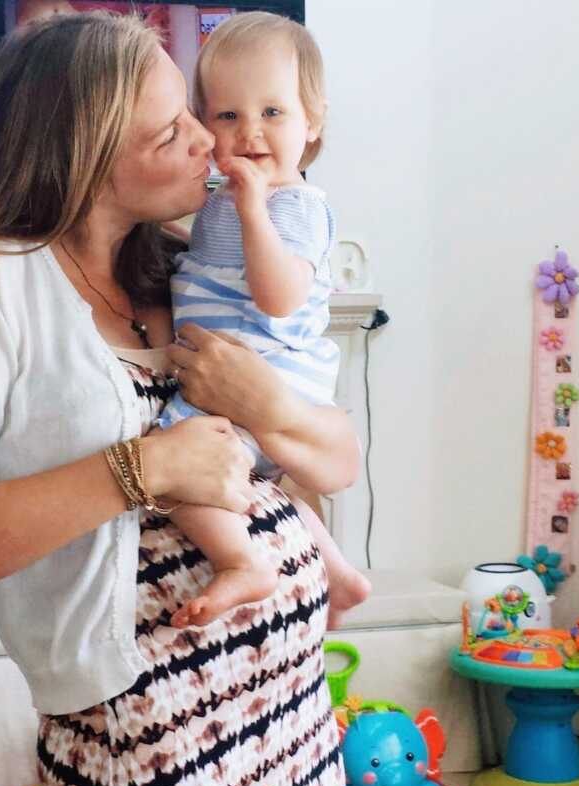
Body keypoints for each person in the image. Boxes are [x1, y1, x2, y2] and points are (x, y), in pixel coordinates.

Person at [0, 12, 355, 786]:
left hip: (293, 729)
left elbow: (338, 461)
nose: (214, 141)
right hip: (157, 762)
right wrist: (145, 469)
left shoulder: (182, 262)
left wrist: (267, 401)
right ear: (85, 156)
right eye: (176, 128)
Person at [153, 12, 371, 630]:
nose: (250, 131)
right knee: (270, 496)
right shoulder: (229, 205)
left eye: (273, 113)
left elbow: (279, 296)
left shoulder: (294, 205)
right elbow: (211, 259)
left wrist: (253, 211)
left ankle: (240, 562)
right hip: (242, 377)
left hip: (263, 373)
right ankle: (337, 573)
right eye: (228, 115)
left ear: (313, 122)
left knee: (172, 468)